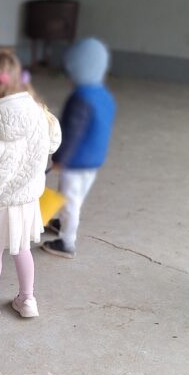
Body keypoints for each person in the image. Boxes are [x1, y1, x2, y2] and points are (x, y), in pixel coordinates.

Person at [0, 50, 61, 318]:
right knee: (23, 249)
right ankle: (27, 300)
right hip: (27, 199)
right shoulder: (40, 113)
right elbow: (53, 142)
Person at [42, 38, 116, 259]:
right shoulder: (105, 96)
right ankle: (61, 223)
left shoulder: (80, 99)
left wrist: (60, 158)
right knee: (76, 196)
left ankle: (66, 243)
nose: (69, 78)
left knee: (71, 201)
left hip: (75, 161)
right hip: (94, 159)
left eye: (71, 73)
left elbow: (72, 133)